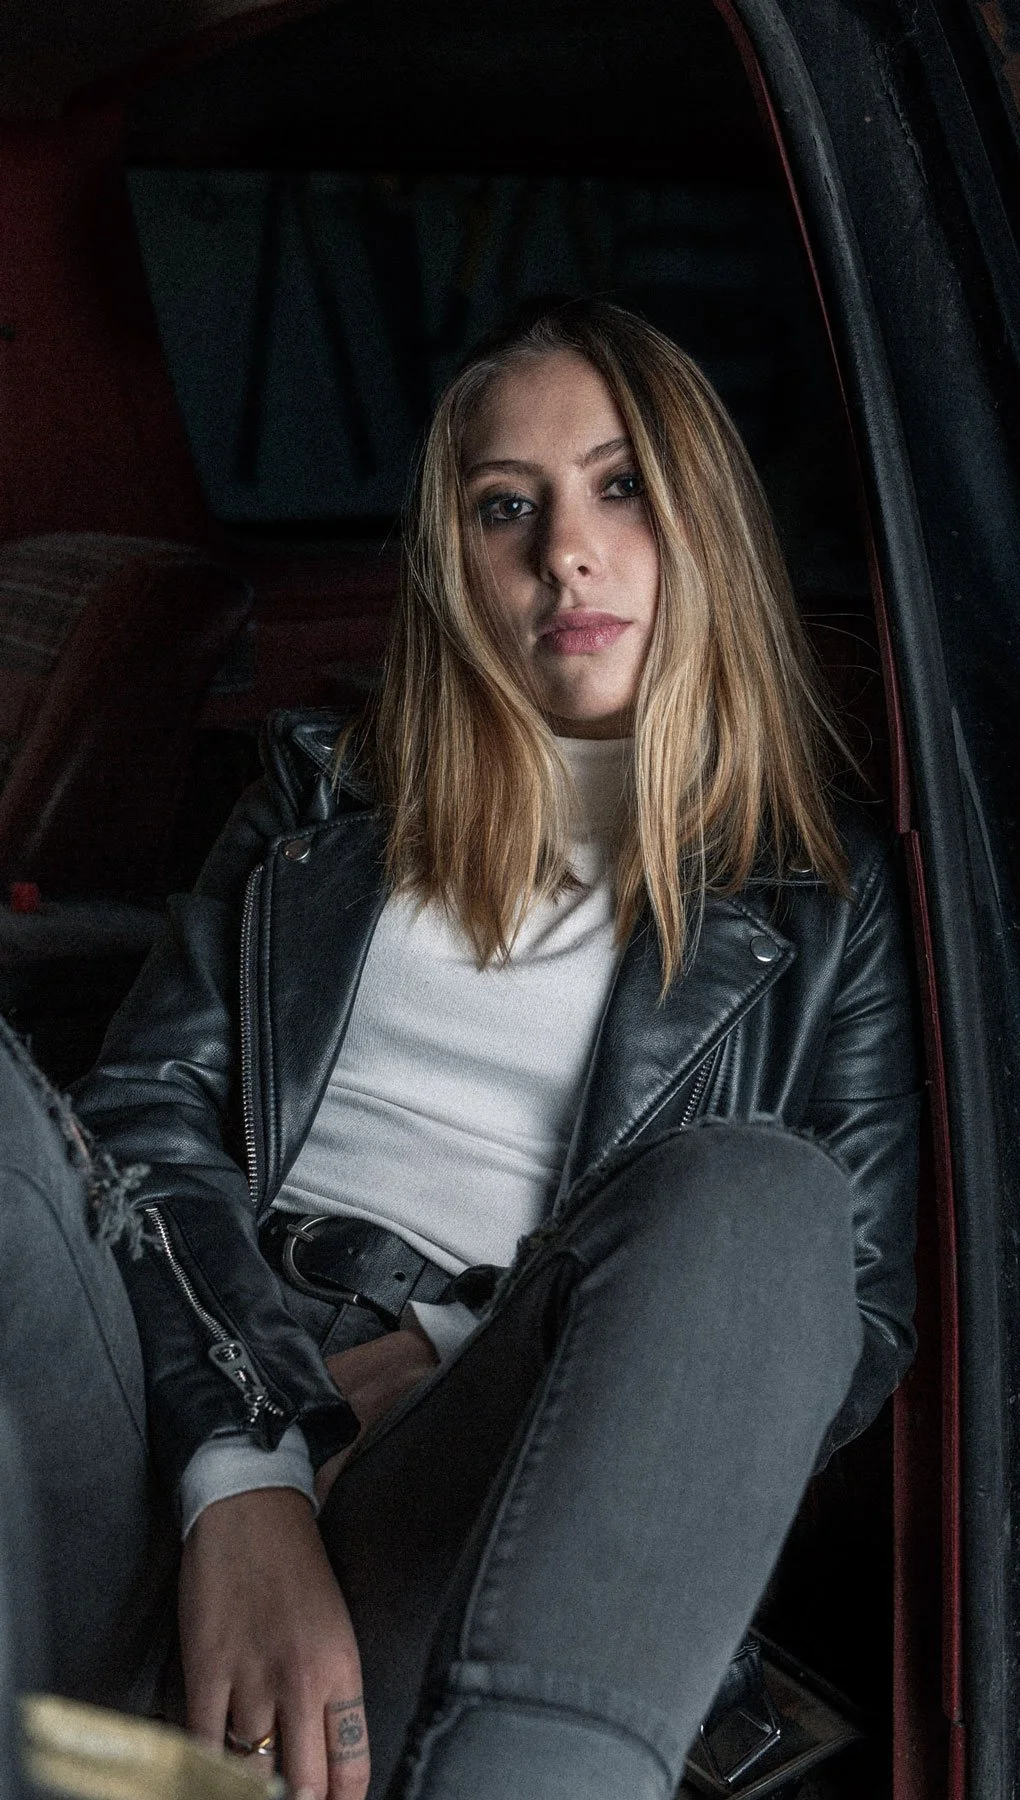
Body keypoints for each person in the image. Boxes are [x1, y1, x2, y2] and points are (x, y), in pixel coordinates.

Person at [52, 300, 918, 1800]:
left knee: (764, 1201)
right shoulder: (319, 809)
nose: (563, 553)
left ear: (701, 517)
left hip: (491, 1429)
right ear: (457, 563)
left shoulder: (829, 905)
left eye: (620, 485)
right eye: (506, 507)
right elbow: (138, 1117)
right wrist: (247, 1455)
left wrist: (451, 1352)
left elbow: (852, 1314)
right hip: (190, 1366)